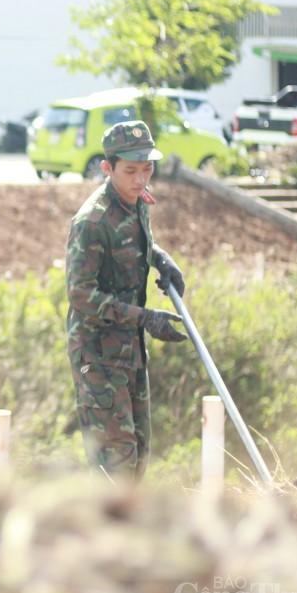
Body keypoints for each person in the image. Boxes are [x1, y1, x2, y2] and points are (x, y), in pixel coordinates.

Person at [65, 120, 187, 482]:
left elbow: (137, 241)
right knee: (116, 461)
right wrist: (145, 318)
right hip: (98, 353)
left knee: (140, 451)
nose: (140, 179)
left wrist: (161, 258)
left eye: (147, 169)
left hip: (130, 349)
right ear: (108, 167)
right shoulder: (92, 221)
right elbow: (81, 294)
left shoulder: (137, 202)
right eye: (130, 171)